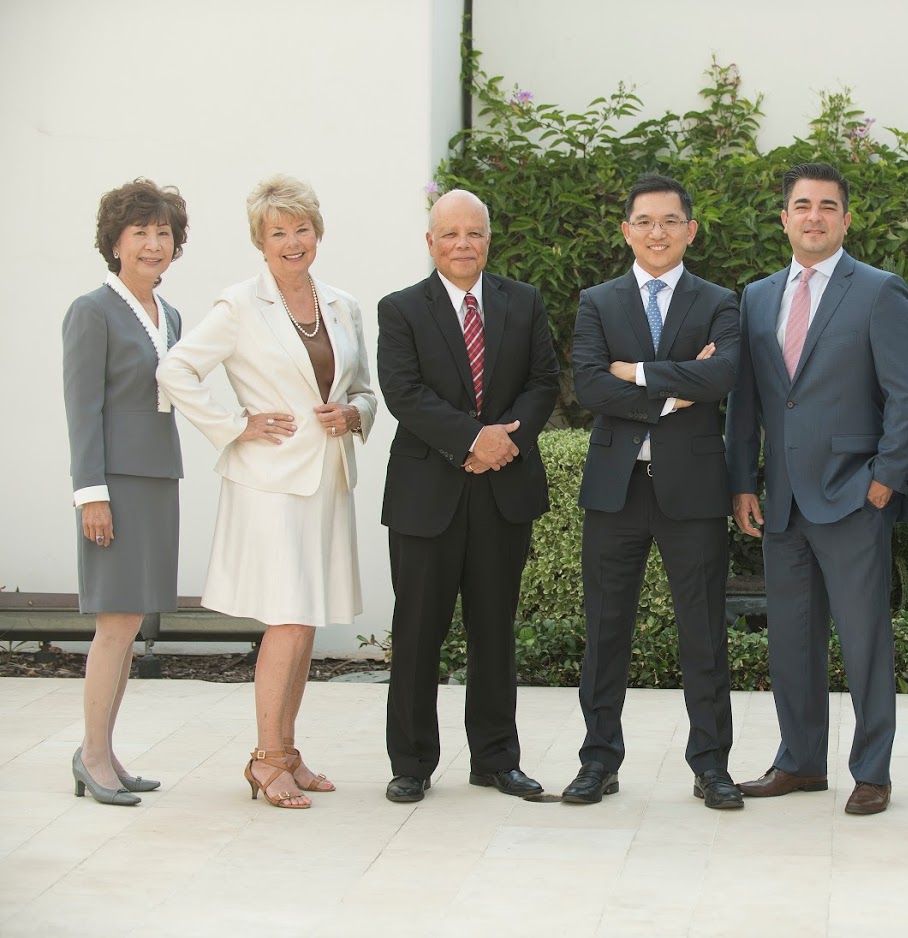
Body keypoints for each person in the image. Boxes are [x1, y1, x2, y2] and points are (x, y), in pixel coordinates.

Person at [159, 175, 376, 809]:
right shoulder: (237, 305)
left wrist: (355, 414)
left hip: (327, 479)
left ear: (318, 233)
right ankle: (266, 759)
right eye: (277, 232)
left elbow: (363, 389)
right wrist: (235, 426)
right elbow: (175, 369)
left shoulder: (343, 305)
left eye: (301, 228)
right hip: (271, 484)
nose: (292, 241)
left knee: (303, 619)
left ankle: (287, 749)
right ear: (260, 241)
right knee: (285, 617)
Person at [725, 162, 908, 816]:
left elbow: (906, 393)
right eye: (802, 205)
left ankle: (873, 771)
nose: (814, 215)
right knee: (790, 641)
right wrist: (742, 482)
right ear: (783, 217)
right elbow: (748, 402)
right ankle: (801, 762)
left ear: (845, 218)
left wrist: (884, 481)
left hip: (851, 496)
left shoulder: (877, 291)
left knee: (865, 641)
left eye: (828, 206)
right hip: (780, 503)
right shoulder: (755, 297)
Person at [563, 174, 742, 809]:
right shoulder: (598, 301)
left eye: (670, 221)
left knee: (703, 630)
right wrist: (673, 391)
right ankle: (598, 761)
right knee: (606, 630)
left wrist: (635, 374)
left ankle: (711, 764)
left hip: (691, 490)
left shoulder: (720, 300)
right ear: (627, 231)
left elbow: (723, 373)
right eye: (645, 221)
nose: (657, 232)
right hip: (616, 490)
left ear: (690, 230)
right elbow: (588, 386)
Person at [377, 189, 559, 804]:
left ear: (488, 238)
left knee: (494, 631)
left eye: (474, 233)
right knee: (417, 631)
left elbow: (543, 382)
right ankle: (411, 762)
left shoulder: (524, 302)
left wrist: (504, 443)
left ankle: (496, 760)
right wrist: (472, 440)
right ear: (431, 242)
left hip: (502, 491)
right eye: (450, 234)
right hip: (427, 496)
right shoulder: (400, 309)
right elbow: (403, 392)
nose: (462, 244)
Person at [62, 179, 189, 807]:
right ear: (115, 242)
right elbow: (81, 409)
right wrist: (91, 494)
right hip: (113, 487)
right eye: (139, 232)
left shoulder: (172, 315)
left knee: (132, 622)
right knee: (113, 626)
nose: (153, 243)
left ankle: (105, 752)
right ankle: (91, 757)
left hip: (158, 480)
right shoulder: (93, 310)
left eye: (162, 232)